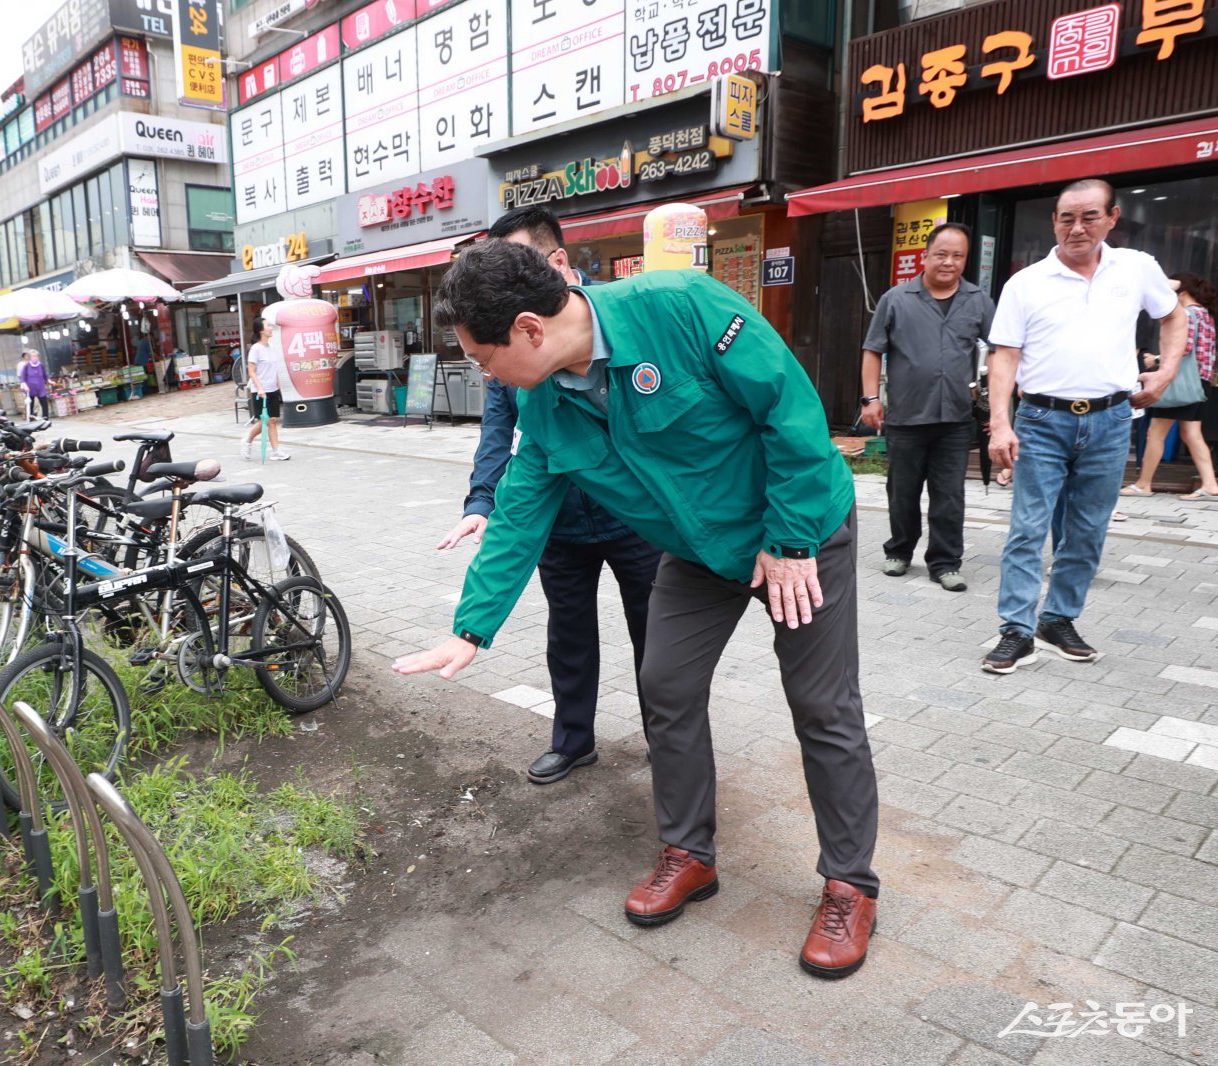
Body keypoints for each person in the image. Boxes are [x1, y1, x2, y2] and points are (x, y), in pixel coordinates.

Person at [395, 240, 881, 980]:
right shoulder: (547, 398)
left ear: (528, 329)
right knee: (667, 684)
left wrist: (787, 540)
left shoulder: (684, 307)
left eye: (484, 358)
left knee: (822, 704)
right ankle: (689, 852)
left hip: (798, 534)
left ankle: (850, 884)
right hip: (698, 552)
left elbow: (790, 412)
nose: (485, 375)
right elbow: (524, 505)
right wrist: (472, 628)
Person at [437, 204, 662, 784]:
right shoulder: (509, 358)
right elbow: (501, 435)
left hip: (634, 516)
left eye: (518, 263)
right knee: (568, 633)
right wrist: (481, 503)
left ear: (556, 261)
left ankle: (670, 739)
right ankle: (573, 740)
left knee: (657, 634)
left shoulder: (625, 319)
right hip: (553, 516)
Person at [982, 178, 1187, 674]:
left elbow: (1174, 316)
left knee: (1088, 530)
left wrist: (1165, 374)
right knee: (1028, 530)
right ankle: (1016, 630)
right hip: (1041, 419)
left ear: (1112, 218)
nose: (1076, 227)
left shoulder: (1136, 268)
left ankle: (1058, 619)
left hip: (1112, 419)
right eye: (1066, 218)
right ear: (1054, 221)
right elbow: (1005, 356)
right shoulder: (1026, 282)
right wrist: (999, 425)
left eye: (1089, 216)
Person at [860, 223, 995, 591]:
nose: (949, 262)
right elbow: (873, 350)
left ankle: (945, 562)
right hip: (905, 416)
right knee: (901, 491)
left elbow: (999, 354)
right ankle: (900, 551)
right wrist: (871, 400)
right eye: (941, 254)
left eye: (958, 256)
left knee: (949, 495)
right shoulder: (896, 299)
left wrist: (997, 411)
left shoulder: (978, 300)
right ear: (925, 256)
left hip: (955, 418)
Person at [1121, 273, 1218, 501]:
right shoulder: (1206, 315)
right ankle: (1210, 484)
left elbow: (1182, 348)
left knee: (1155, 432)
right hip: (1199, 383)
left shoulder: (1186, 314)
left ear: (1181, 291)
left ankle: (1144, 484)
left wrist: (1155, 360)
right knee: (1191, 433)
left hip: (1179, 383)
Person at [243, 316, 289, 461]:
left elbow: (273, 369)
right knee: (265, 421)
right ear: (261, 331)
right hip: (260, 391)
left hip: (273, 388)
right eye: (267, 325)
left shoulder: (270, 347)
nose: (270, 328)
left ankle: (275, 451)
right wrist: (260, 388)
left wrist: (278, 385)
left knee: (272, 420)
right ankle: (247, 440)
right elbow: (251, 371)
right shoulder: (256, 349)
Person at [17, 348, 51, 419]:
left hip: (40, 387)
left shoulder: (40, 365)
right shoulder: (26, 366)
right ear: (30, 357)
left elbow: (45, 375)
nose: (35, 358)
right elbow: (23, 378)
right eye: (33, 356)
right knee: (31, 404)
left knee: (44, 403)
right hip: (30, 388)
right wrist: (25, 386)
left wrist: (49, 381)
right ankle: (30, 417)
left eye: (36, 356)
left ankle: (45, 418)